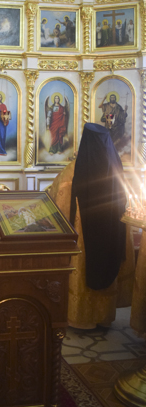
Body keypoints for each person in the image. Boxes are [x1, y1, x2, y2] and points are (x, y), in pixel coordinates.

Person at [47, 123, 134, 328]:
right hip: (111, 234)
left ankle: (82, 319)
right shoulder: (115, 166)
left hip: (83, 237)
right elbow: (125, 203)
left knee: (84, 267)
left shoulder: (73, 171)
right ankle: (104, 318)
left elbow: (57, 202)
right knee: (107, 263)